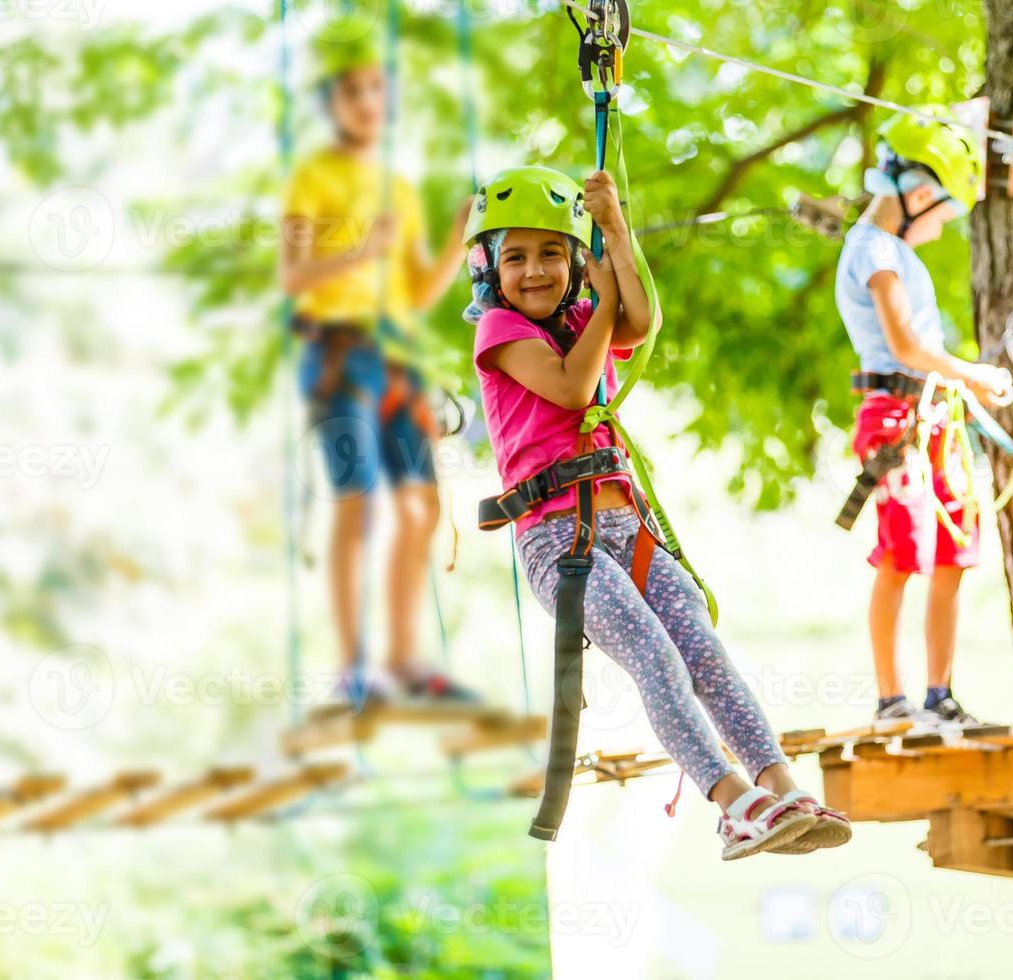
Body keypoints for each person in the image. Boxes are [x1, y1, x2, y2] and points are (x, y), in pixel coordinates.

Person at [466, 165, 850, 859]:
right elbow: (576, 388)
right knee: (655, 656)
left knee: (703, 649)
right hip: (561, 542)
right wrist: (603, 287)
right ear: (489, 270)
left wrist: (614, 228)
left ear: (576, 259)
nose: (534, 270)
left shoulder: (588, 314)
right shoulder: (497, 331)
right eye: (514, 257)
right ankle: (733, 804)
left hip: (627, 525)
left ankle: (781, 785)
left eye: (552, 252)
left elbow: (640, 320)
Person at [278, 23, 476, 704]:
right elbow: (293, 273)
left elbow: (417, 293)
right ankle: (354, 664)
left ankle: (403, 658)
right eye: (352, 91)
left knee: (420, 508)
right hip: (338, 351)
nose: (366, 102)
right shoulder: (313, 176)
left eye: (376, 90)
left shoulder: (399, 186)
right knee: (357, 506)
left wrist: (454, 242)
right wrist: (361, 251)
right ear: (333, 103)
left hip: (397, 359)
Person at [834, 111, 1013, 725]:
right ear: (917, 195)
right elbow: (906, 347)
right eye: (942, 215)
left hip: (933, 417)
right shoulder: (874, 251)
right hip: (895, 419)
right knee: (903, 552)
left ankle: (940, 696)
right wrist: (976, 374)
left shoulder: (892, 250)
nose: (940, 229)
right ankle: (892, 700)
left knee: (952, 552)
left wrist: (958, 386)